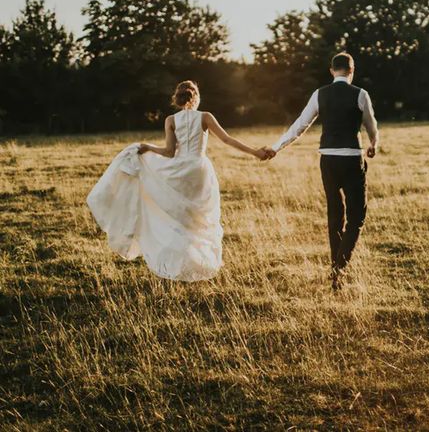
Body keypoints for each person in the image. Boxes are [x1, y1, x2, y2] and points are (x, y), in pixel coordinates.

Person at [87, 80, 270, 281]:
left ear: (177, 98)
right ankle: (200, 261)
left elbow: (168, 152)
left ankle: (182, 260)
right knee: (200, 218)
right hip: (199, 169)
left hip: (179, 170)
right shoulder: (205, 117)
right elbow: (227, 140)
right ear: (196, 97)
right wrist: (255, 152)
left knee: (180, 218)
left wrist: (148, 147)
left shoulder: (171, 120)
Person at [265, 52, 379, 290]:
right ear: (352, 70)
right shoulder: (361, 94)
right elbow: (371, 124)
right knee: (357, 217)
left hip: (327, 160)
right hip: (351, 159)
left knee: (335, 215)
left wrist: (276, 148)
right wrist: (373, 144)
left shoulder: (320, 94)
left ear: (331, 71)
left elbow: (299, 126)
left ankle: (335, 269)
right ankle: (340, 267)